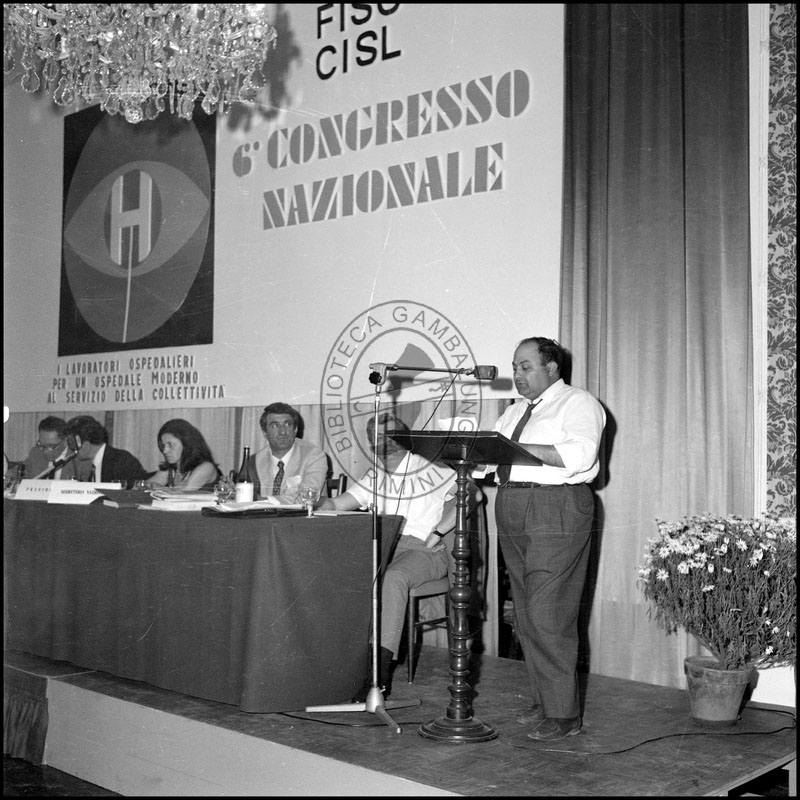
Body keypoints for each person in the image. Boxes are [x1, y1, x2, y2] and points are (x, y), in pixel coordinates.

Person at [475, 337, 605, 741]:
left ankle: (564, 715)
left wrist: (512, 449)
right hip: (512, 504)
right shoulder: (514, 412)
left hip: (556, 506)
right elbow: (487, 463)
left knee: (548, 611)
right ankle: (546, 701)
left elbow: (581, 455)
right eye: (515, 367)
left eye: (526, 366)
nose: (517, 375)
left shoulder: (578, 403)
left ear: (552, 368)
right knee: (526, 611)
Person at [317, 411, 459, 700]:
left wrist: (439, 531)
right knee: (341, 574)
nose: (387, 441)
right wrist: (310, 500)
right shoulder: (375, 475)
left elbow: (471, 495)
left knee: (393, 578)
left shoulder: (431, 468)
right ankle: (344, 664)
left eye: (393, 434)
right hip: (384, 549)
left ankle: (378, 676)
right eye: (379, 437)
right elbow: (338, 504)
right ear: (371, 445)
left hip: (424, 551)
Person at [248, 402, 328, 500]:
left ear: (295, 430)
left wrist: (264, 501)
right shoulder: (254, 461)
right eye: (275, 425)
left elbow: (308, 497)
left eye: (287, 424)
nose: (282, 432)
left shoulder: (314, 456)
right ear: (265, 433)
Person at [63, 415, 149, 488]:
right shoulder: (93, 464)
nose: (71, 450)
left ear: (86, 444)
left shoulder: (122, 460)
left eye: (72, 445)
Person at [148, 418, 222, 491]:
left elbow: (181, 493)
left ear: (186, 444)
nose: (165, 451)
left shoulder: (206, 467)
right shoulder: (172, 469)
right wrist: (156, 486)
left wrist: (157, 487)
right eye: (163, 445)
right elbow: (144, 485)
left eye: (170, 445)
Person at [22, 415, 78, 480]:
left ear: (65, 440)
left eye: (51, 446)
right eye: (42, 445)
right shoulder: (35, 453)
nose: (45, 451)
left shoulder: (76, 459)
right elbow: (17, 473)